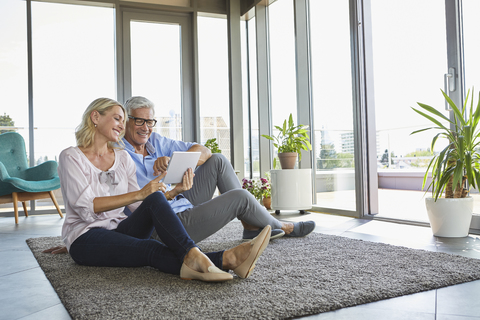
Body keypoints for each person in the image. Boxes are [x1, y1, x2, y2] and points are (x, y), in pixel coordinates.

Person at [49, 97, 272, 282]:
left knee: (155, 199)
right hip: (87, 236)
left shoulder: (122, 157)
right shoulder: (71, 157)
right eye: (117, 118)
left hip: (120, 228)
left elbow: (140, 207)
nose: (120, 124)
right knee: (150, 250)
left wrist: (173, 192)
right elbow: (86, 207)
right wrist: (140, 193)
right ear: (95, 117)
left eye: (122, 120)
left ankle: (203, 256)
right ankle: (225, 259)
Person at [122, 96, 315, 242]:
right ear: (126, 122)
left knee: (218, 160)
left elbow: (205, 151)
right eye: (139, 121)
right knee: (240, 197)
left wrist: (173, 162)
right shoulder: (119, 154)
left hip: (180, 201)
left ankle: (250, 225)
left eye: (149, 122)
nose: (145, 127)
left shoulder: (155, 141)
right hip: (164, 223)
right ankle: (282, 225)